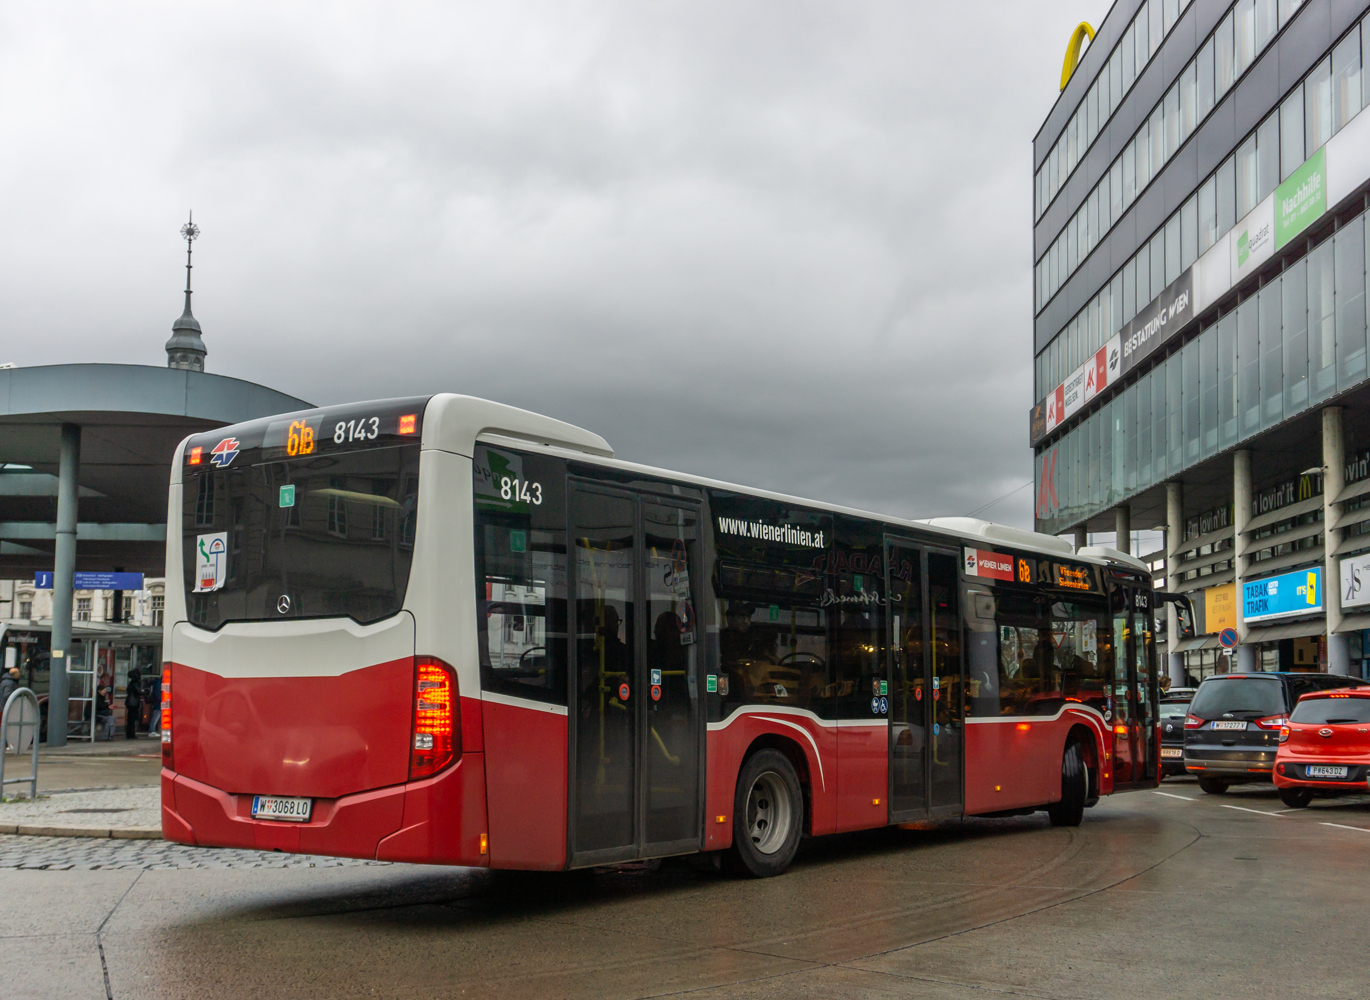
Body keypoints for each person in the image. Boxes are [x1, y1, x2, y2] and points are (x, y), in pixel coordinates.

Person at [124, 667, 142, 740]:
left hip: (130, 702)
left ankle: (129, 734)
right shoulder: (135, 683)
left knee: (130, 719)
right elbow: (138, 691)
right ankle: (131, 734)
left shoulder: (131, 683)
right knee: (132, 719)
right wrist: (145, 692)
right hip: (133, 703)